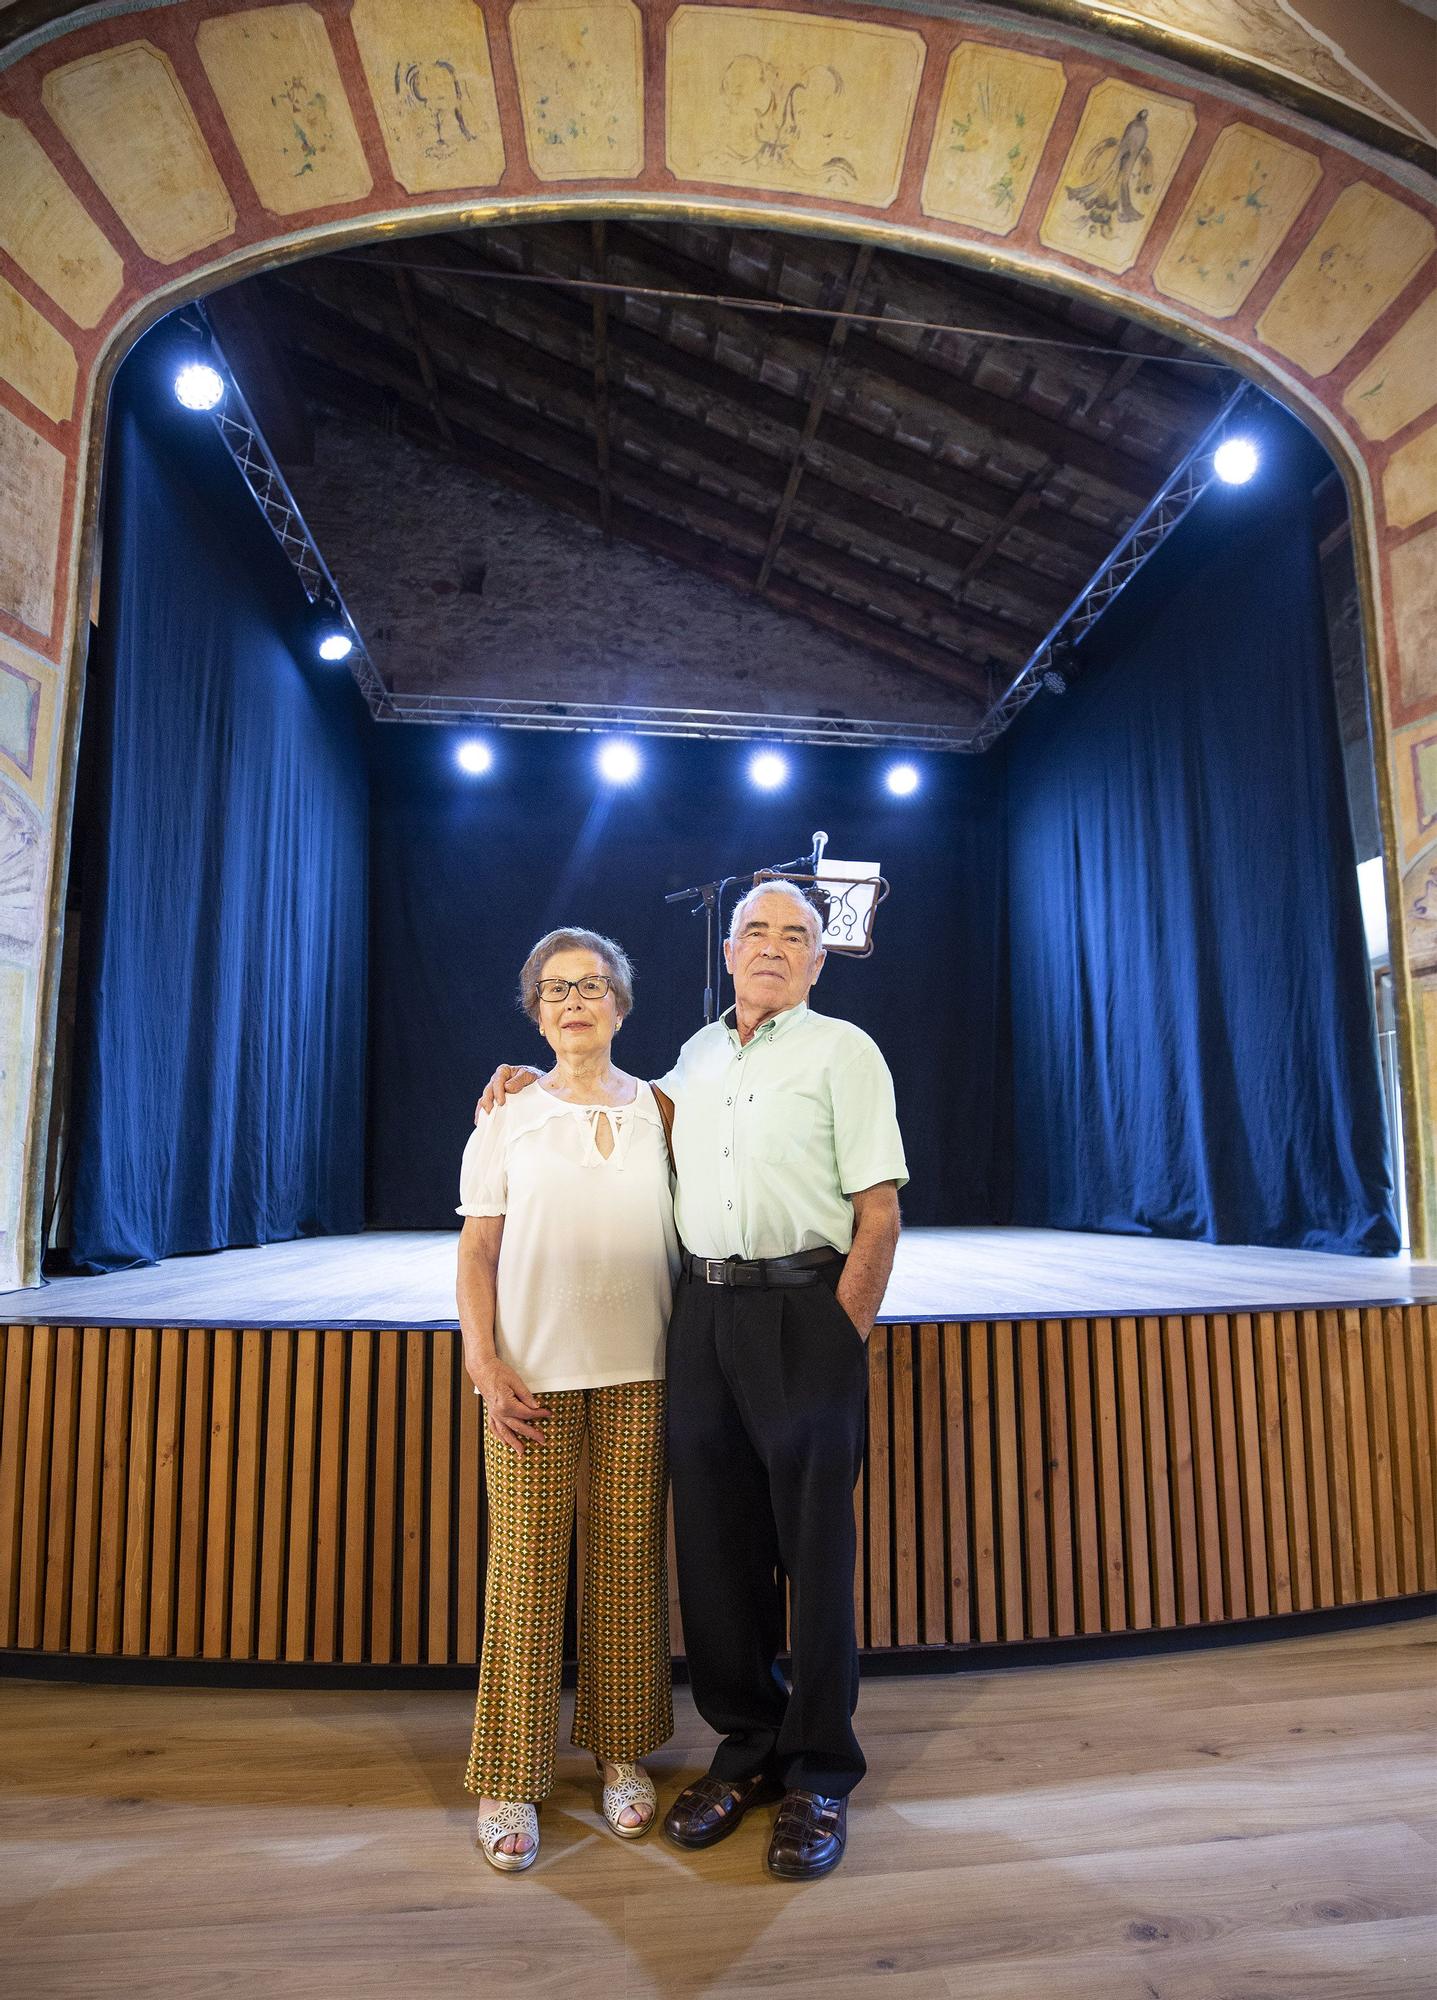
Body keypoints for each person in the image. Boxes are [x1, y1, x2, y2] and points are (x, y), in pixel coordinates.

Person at [479, 879, 906, 1879]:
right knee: (714, 1555)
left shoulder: (848, 1053)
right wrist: (521, 1079)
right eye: (754, 928)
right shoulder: (694, 1062)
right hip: (701, 1314)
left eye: (793, 933)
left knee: (814, 1556)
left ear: (817, 956)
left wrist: (837, 1336)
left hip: (806, 1308)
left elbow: (878, 1213)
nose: (771, 944)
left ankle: (817, 1774)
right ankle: (748, 1748)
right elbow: (607, 1096)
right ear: (726, 949)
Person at [457, 927, 680, 1873]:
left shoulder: (666, 1110)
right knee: (525, 1572)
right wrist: (483, 1362)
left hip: (644, 1370)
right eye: (556, 991)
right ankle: (511, 1776)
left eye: (593, 986)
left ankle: (622, 1755)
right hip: (530, 1377)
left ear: (621, 1006)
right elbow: (476, 1251)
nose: (575, 1001)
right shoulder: (504, 1115)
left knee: (628, 1564)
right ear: (537, 1012)